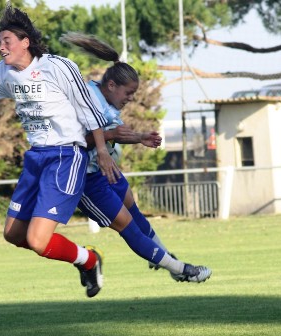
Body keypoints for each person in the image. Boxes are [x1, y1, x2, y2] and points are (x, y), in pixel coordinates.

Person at [0, 5, 121, 298]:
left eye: (6, 40)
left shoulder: (58, 66)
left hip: (65, 157)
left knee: (36, 239)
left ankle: (90, 261)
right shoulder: (5, 72)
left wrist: (101, 149)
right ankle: (87, 259)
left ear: (25, 42)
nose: (1, 46)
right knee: (13, 234)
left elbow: (89, 108)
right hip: (36, 158)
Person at [61, 32, 212, 283]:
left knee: (135, 212)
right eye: (128, 93)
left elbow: (113, 134)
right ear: (111, 86)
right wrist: (108, 135)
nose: (131, 99)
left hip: (105, 171)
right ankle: (180, 269)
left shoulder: (109, 105)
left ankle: (167, 258)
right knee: (127, 225)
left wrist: (139, 137)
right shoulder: (86, 97)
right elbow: (72, 141)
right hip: (84, 177)